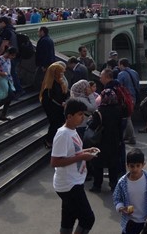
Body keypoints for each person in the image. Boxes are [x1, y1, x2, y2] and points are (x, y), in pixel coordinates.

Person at [50, 98, 97, 234]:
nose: (83, 118)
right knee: (88, 218)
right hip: (69, 184)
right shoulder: (63, 134)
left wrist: (86, 151)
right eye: (80, 114)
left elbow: (72, 153)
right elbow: (55, 162)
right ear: (69, 116)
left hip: (74, 180)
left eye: (83, 114)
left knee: (69, 218)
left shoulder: (72, 130)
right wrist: (82, 156)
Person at [89, 88, 126, 193]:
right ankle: (113, 184)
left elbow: (93, 125)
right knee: (113, 163)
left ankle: (97, 185)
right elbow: (121, 126)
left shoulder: (99, 111)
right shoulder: (119, 110)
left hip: (100, 141)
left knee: (98, 163)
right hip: (114, 140)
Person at [113, 148, 147, 234]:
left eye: (138, 166)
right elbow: (117, 198)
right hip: (130, 221)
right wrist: (121, 208)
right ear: (127, 165)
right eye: (132, 166)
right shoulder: (122, 182)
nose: (135, 169)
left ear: (143, 165)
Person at [40, 62, 69, 148]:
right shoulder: (49, 85)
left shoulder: (60, 82)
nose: (62, 74)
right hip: (52, 108)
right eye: (60, 72)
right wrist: (61, 103)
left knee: (58, 123)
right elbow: (51, 98)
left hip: (59, 108)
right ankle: (48, 140)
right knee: (55, 123)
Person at [0, 16, 23, 97]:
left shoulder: (6, 31)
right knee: (11, 73)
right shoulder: (11, 30)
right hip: (14, 54)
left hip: (10, 56)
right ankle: (13, 90)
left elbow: (4, 45)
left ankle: (18, 90)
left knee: (11, 73)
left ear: (3, 23)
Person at [0, 46, 18, 121]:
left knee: (10, 96)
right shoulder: (0, 59)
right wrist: (0, 73)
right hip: (0, 79)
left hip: (8, 79)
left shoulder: (9, 59)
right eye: (13, 55)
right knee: (11, 95)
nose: (13, 57)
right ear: (9, 53)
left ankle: (3, 115)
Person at [117, 58, 140, 144]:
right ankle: (127, 136)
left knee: (127, 117)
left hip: (126, 98)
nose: (118, 67)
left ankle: (132, 137)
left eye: (119, 65)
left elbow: (119, 87)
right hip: (134, 96)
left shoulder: (121, 74)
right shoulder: (135, 72)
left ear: (122, 65)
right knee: (129, 115)